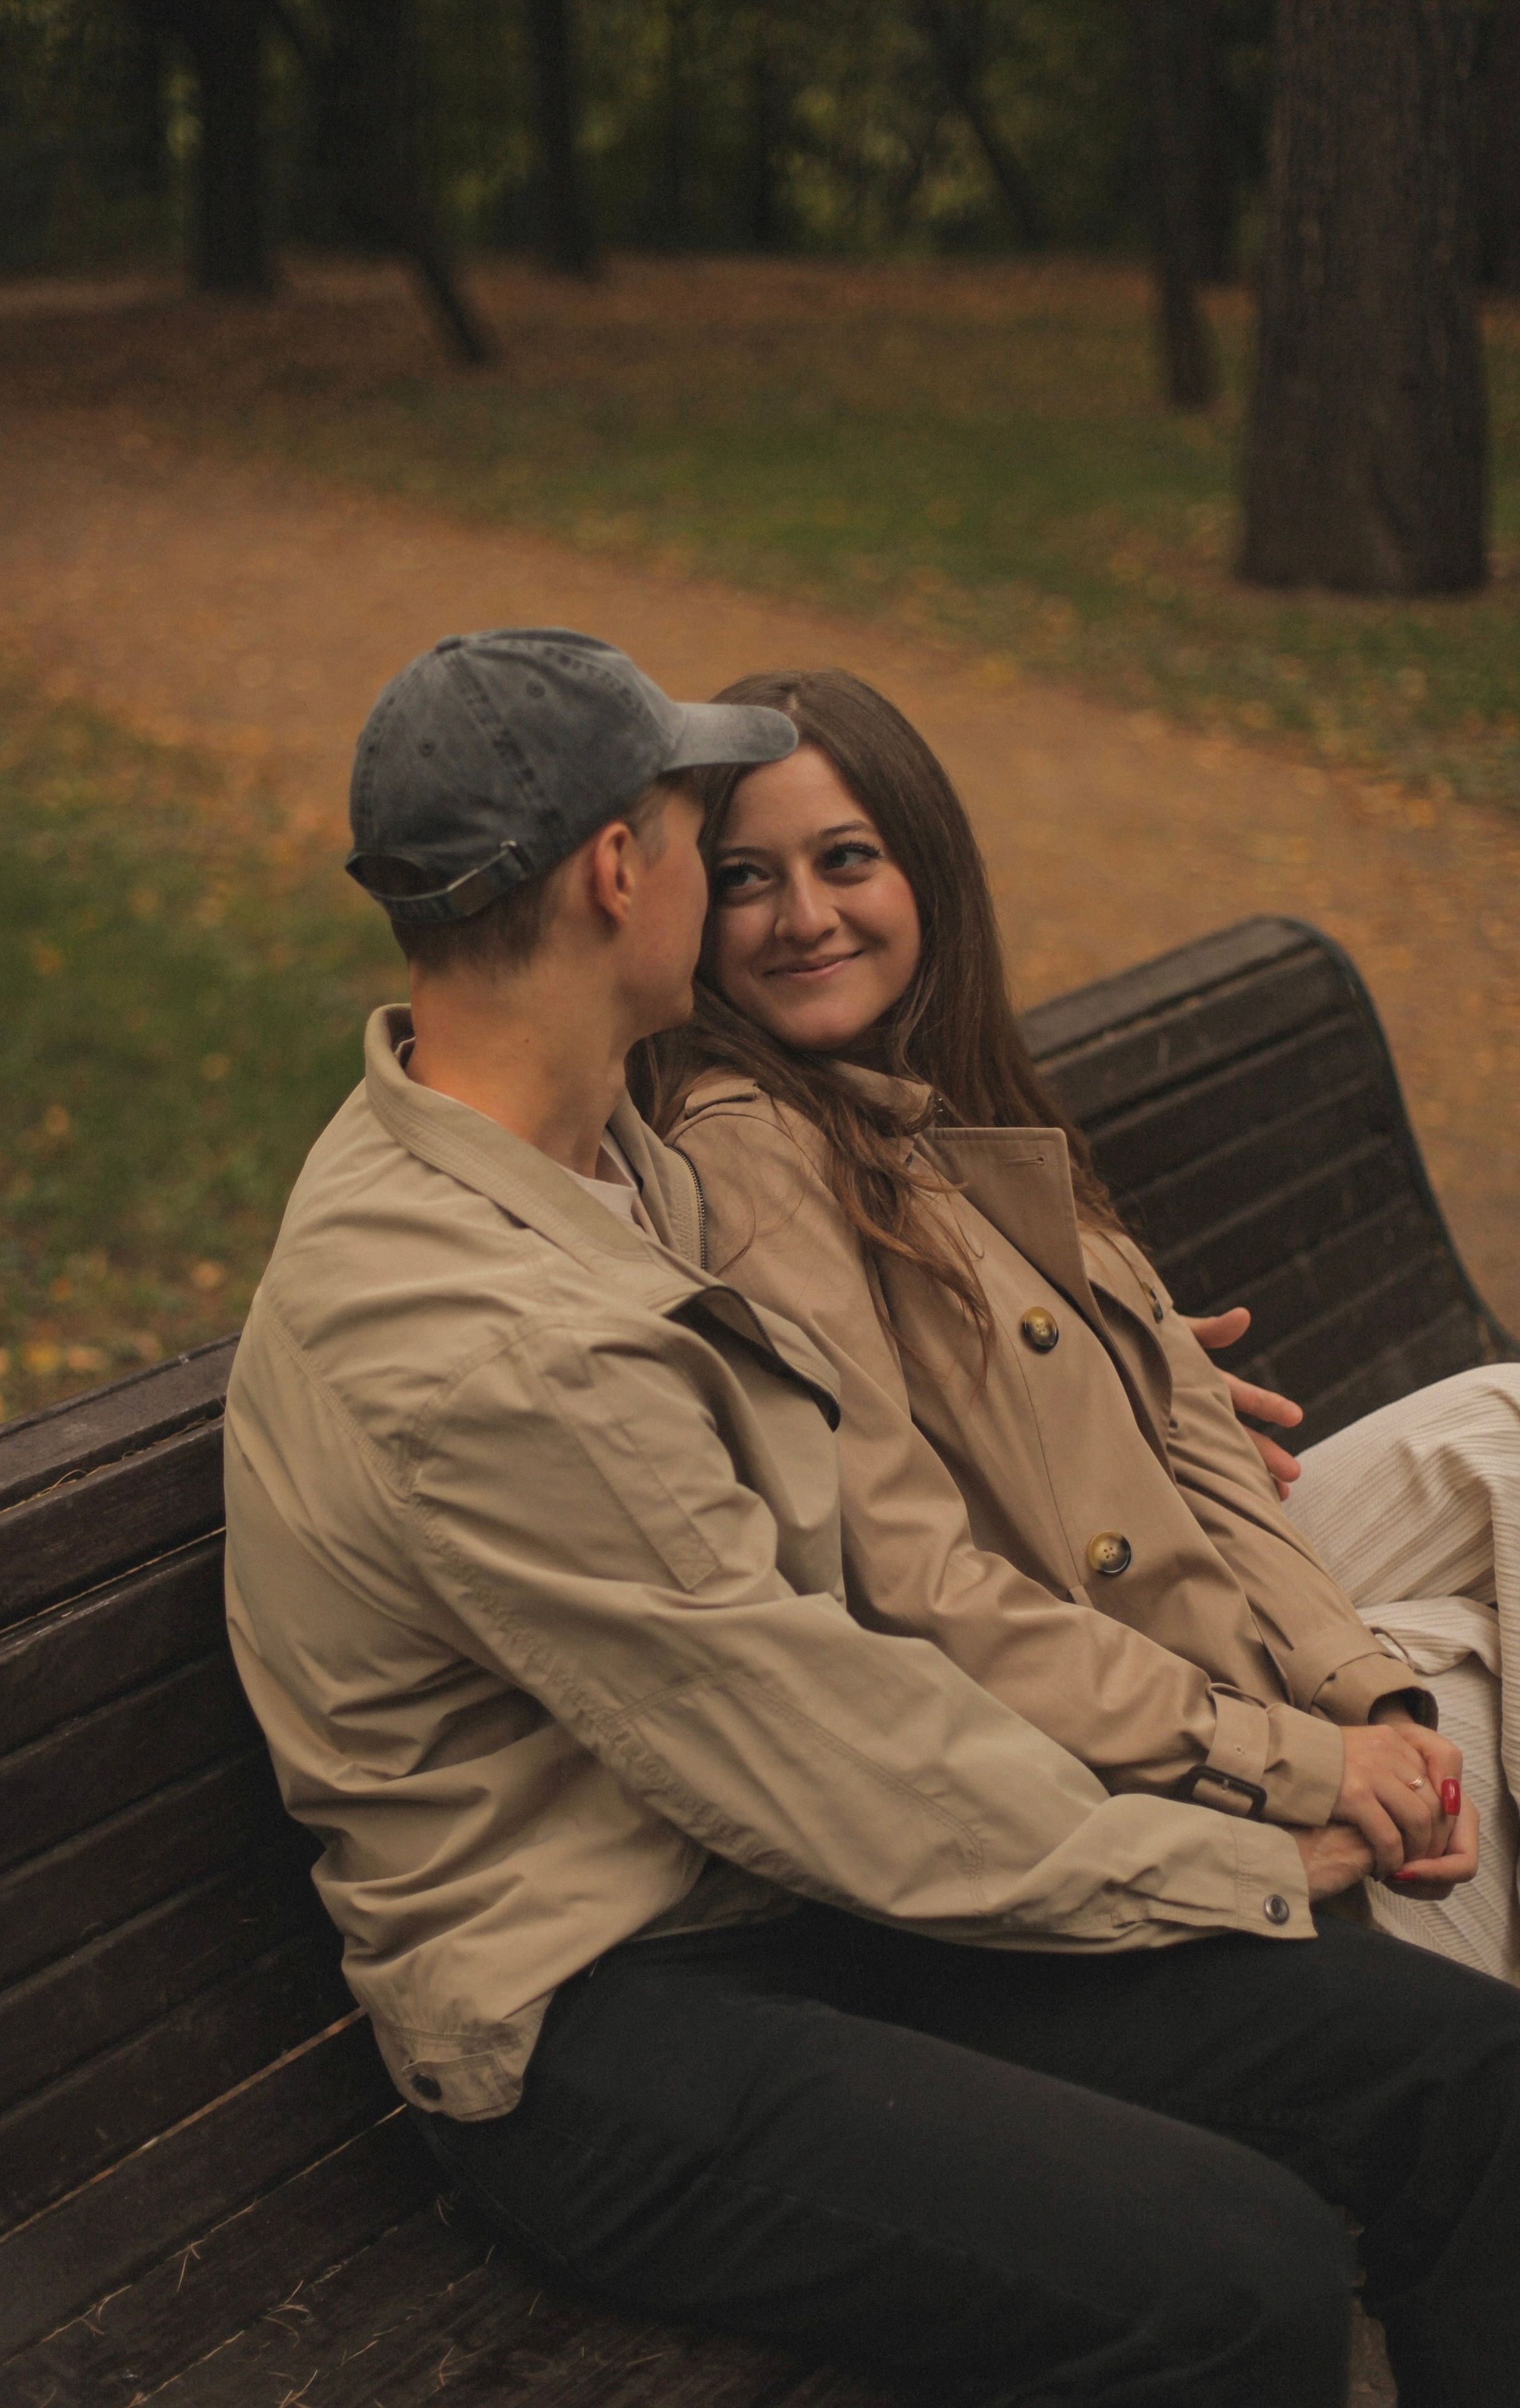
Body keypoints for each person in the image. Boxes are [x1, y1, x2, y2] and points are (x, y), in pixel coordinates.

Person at [224, 627, 1520, 2408]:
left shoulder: (592, 1157)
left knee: (1470, 2079)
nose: (739, 885)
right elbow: (808, 1743)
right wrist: (1228, 1854)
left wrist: (1109, 1392)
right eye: (705, 835)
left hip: (791, 1886)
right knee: (1238, 2277)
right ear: (620, 874)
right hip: (608, 2012)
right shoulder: (487, 1344)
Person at [638, 663, 1519, 1979]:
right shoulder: (751, 1152)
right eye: (745, 879)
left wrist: (1362, 1695)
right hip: (1089, 1699)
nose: (803, 917)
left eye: (845, 859)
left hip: (1171, 1606)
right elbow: (912, 1582)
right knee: (1468, 1681)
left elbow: (1193, 1437)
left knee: (1494, 1465)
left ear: (925, 869)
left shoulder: (935, 1092)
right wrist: (1308, 1753)